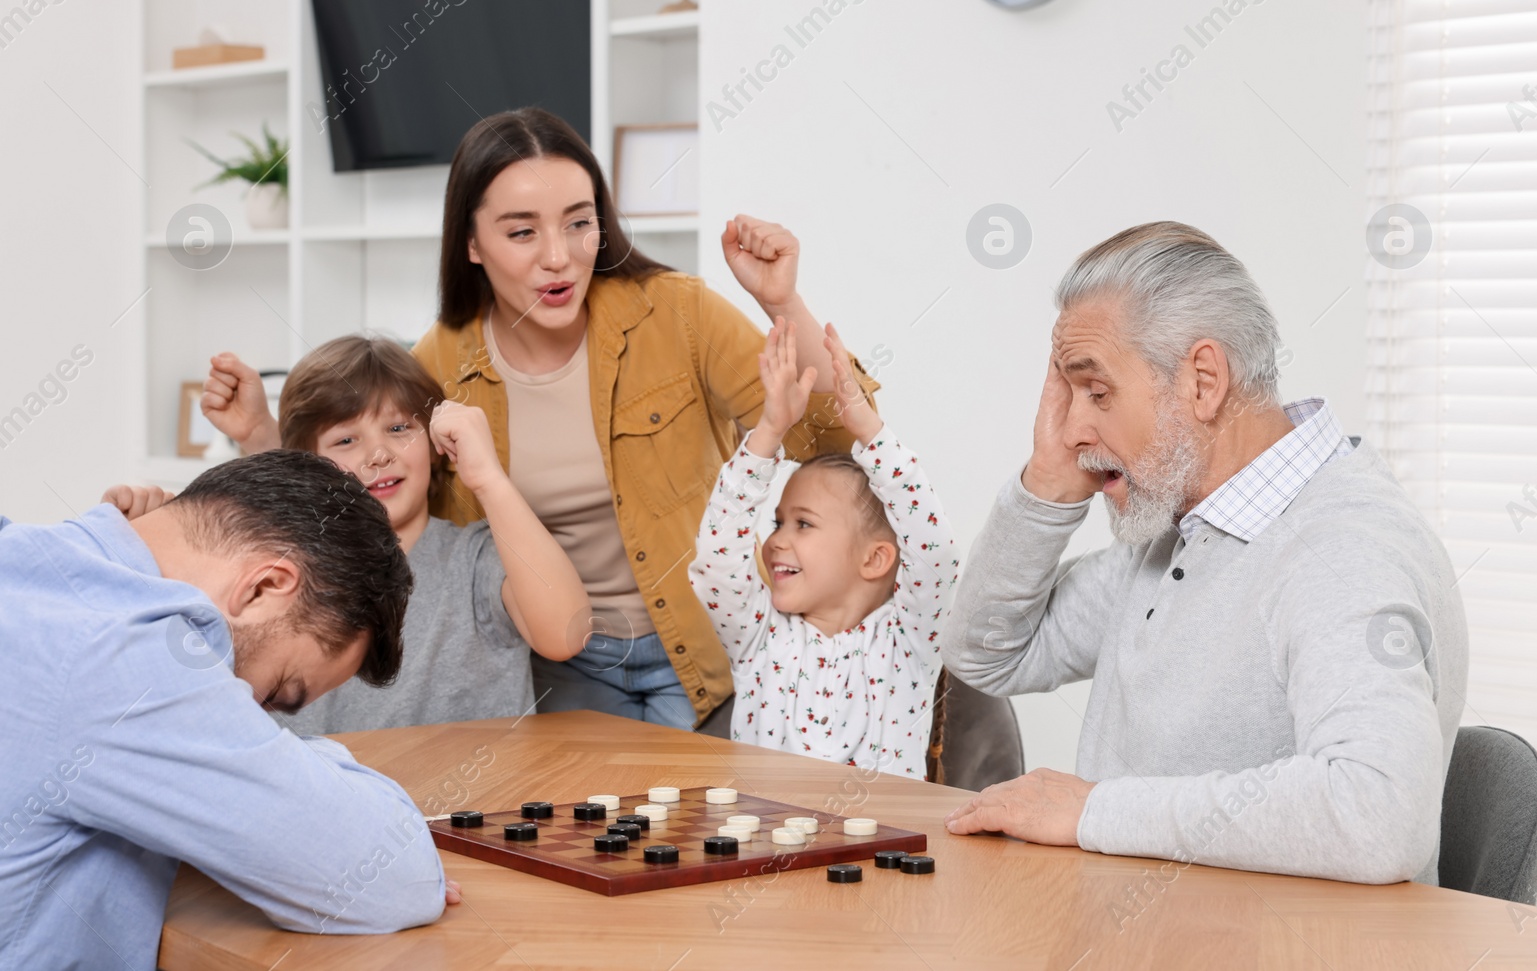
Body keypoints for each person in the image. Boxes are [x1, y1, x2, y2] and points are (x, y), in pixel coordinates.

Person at [203, 106, 879, 731]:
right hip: (560, 658)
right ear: (471, 242)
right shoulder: (442, 363)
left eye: (579, 222)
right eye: (522, 231)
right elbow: (376, 500)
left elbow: (838, 437)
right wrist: (260, 440)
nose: (558, 255)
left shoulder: (677, 312)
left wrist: (782, 302)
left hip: (704, 644)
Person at [942, 221, 1468, 885]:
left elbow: (1380, 814)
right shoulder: (1182, 531)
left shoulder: (1341, 548)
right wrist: (1047, 480)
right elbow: (986, 653)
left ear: (1202, 380)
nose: (1074, 429)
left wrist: (1094, 811)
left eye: (1096, 392)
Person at [0, 452, 456, 970]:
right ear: (264, 587)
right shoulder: (129, 658)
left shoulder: (32, 565)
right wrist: (289, 764)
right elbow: (395, 878)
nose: (256, 716)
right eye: (274, 694)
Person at [178, 335, 590, 735]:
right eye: (345, 439)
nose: (378, 454)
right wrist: (258, 436)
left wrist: (488, 479)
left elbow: (566, 633)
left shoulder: (475, 558)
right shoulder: (285, 569)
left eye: (398, 429)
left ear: (433, 441)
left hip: (468, 802)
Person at [688, 318, 958, 779]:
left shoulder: (907, 644)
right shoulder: (759, 637)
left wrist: (872, 433)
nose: (775, 541)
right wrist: (769, 431)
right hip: (766, 846)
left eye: (803, 524)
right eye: (778, 522)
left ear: (874, 559)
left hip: (881, 848)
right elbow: (717, 558)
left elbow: (935, 553)